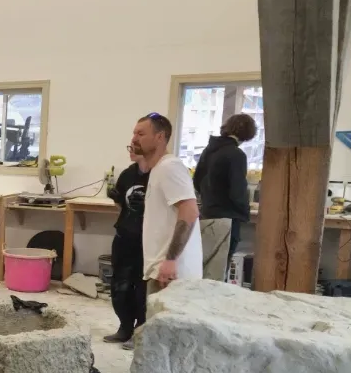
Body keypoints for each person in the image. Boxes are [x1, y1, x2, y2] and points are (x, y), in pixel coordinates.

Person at [130, 112, 202, 294]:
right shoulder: (158, 169)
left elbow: (190, 211)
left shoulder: (169, 167)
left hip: (172, 274)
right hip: (162, 270)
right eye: (134, 133)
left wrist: (170, 260)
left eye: (141, 134)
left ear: (160, 137)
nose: (134, 139)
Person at [193, 112, 257, 279]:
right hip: (228, 218)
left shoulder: (209, 149)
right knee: (219, 272)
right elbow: (237, 190)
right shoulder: (236, 154)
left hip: (207, 214)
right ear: (249, 133)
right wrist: (245, 211)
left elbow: (196, 180)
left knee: (205, 267)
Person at [105, 143, 150, 348]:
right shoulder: (127, 174)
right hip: (124, 236)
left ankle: (140, 331)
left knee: (141, 287)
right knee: (119, 285)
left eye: (135, 146)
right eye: (130, 146)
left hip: (146, 240)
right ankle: (124, 327)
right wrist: (116, 197)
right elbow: (121, 205)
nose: (131, 150)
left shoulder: (158, 175)